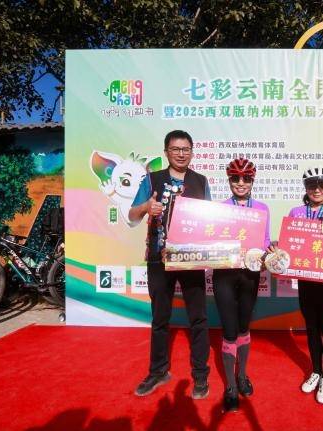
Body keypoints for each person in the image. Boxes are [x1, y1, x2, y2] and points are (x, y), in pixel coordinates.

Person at [129, 130, 212, 399]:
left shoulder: (201, 182)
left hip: (191, 260)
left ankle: (200, 374)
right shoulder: (152, 179)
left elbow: (209, 221)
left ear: (192, 152)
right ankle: (158, 371)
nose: (181, 154)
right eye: (175, 149)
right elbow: (131, 215)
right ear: (166, 152)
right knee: (160, 318)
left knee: (198, 318)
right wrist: (146, 208)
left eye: (186, 149)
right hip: (159, 258)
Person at [212, 157, 272, 413]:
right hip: (224, 276)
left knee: (244, 327)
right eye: (235, 178)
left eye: (246, 178)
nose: (240, 183)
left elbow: (265, 240)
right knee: (229, 330)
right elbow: (210, 238)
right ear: (229, 180)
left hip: (249, 275)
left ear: (252, 181)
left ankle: (242, 375)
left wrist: (270, 254)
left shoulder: (262, 208)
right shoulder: (219, 209)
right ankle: (230, 386)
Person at [287, 166, 323, 404]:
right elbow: (290, 244)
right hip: (306, 280)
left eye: (322, 184)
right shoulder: (296, 213)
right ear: (305, 188)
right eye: (311, 185)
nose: (317, 189)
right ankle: (316, 371)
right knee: (311, 328)